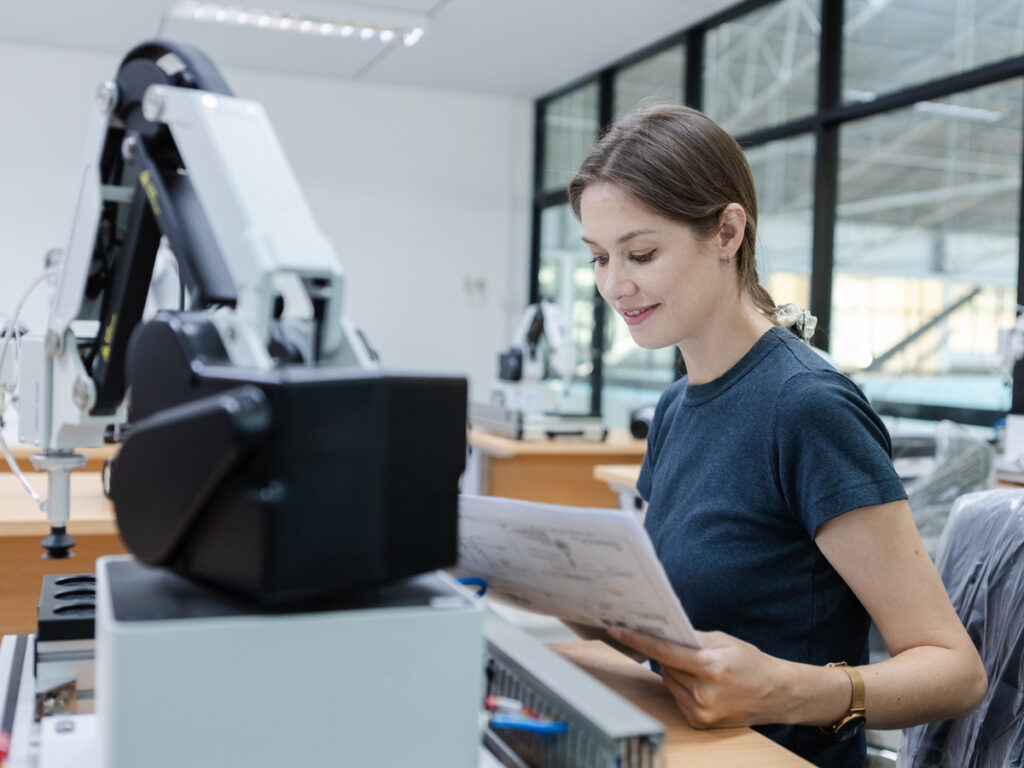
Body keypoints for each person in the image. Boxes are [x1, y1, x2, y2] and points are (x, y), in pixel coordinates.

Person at [568, 103, 987, 767]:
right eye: (598, 259)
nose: (615, 286)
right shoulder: (676, 406)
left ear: (727, 232)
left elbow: (955, 672)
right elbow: (681, 611)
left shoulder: (806, 408)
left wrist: (790, 690)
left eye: (641, 253)